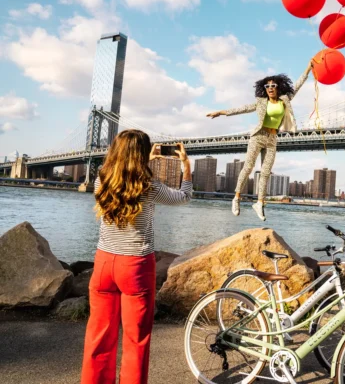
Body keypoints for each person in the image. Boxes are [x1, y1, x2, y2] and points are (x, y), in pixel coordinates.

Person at [81, 130, 192, 384]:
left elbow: (126, 176)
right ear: (142, 154)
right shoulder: (149, 187)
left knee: (98, 337)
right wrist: (186, 166)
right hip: (135, 266)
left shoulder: (101, 180)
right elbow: (184, 197)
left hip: (104, 264)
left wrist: (145, 162)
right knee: (135, 341)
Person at [207, 61, 313, 221]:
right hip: (257, 137)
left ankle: (259, 203)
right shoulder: (261, 102)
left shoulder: (285, 100)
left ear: (279, 87)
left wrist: (309, 68)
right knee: (248, 167)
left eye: (273, 85)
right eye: (267, 86)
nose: (270, 88)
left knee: (265, 173)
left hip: (272, 139)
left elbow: (298, 85)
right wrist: (222, 112)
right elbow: (242, 108)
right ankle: (236, 198)